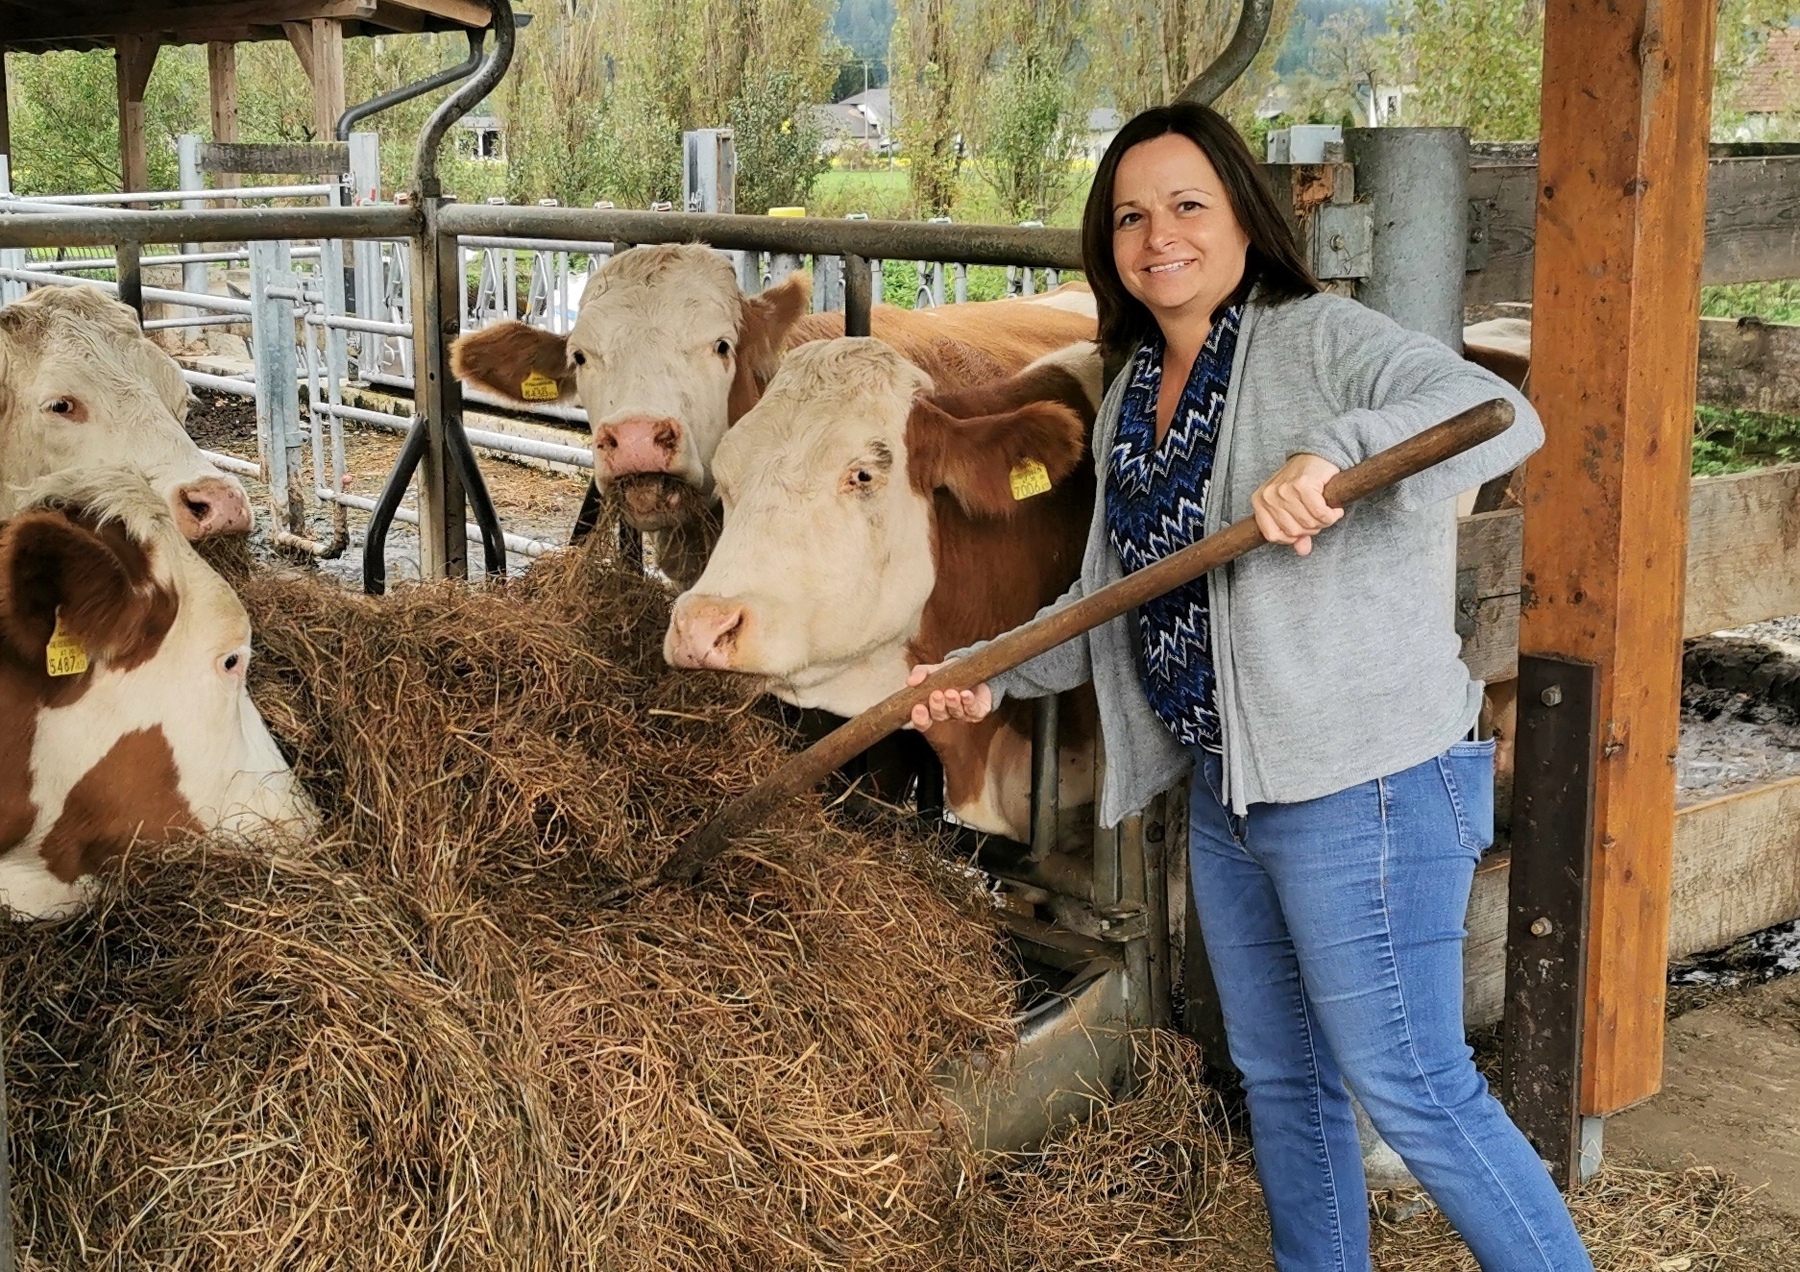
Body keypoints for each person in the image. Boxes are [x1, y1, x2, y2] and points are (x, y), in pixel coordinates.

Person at [907, 102, 1594, 1272]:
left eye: (1187, 206)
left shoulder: (1319, 337)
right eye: (1131, 215)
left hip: (1365, 784)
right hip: (1234, 792)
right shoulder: (1133, 395)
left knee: (1416, 1088)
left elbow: (1500, 417)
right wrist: (986, 674)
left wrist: (1337, 457)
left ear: (1241, 217)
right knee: (1283, 1080)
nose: (1157, 236)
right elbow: (1106, 602)